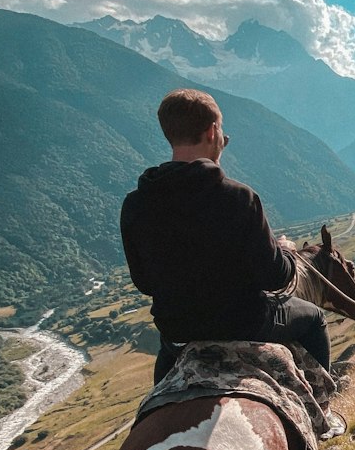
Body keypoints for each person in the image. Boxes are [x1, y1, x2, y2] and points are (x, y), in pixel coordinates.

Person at [121, 88, 332, 385]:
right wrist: (283, 250)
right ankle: (322, 410)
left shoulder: (136, 203)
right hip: (245, 323)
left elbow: (144, 282)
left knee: (165, 369)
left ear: (170, 134)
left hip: (178, 331)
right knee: (313, 319)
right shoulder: (238, 197)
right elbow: (276, 277)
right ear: (212, 131)